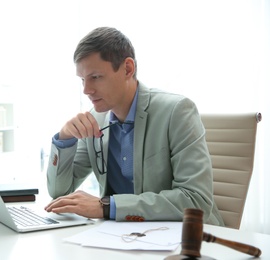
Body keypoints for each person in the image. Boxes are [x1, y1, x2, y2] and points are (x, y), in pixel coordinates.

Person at [44, 27, 224, 226]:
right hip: (126, 236)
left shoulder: (177, 111)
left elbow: (196, 200)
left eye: (95, 77)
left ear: (128, 69)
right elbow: (59, 192)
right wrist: (65, 139)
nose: (86, 90)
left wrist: (106, 206)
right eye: (82, 80)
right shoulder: (96, 120)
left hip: (188, 237)